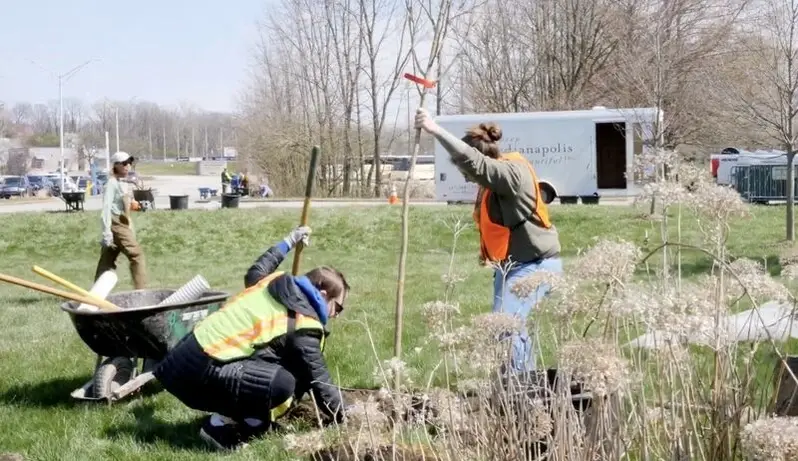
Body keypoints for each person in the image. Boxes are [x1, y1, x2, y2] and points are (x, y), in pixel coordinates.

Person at [153, 225, 350, 451]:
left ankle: (254, 422)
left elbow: (257, 268)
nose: (336, 314)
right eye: (339, 307)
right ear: (324, 295)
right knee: (284, 382)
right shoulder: (304, 323)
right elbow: (320, 381)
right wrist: (349, 415)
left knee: (281, 364)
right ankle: (217, 426)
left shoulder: (271, 283)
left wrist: (289, 241)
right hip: (196, 373)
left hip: (182, 360)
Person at [414, 108, 562, 374]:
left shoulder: (510, 175)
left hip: (535, 266)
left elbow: (474, 163)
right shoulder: (496, 180)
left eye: (463, 169)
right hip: (512, 266)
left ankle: (516, 392)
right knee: (511, 328)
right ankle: (522, 386)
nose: (464, 176)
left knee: (504, 327)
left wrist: (434, 129)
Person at [94, 151, 147, 289]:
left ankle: (95, 294)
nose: (127, 166)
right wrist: (106, 232)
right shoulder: (111, 183)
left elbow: (124, 203)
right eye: (124, 163)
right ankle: (140, 292)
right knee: (136, 255)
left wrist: (134, 205)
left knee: (106, 262)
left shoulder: (123, 183)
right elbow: (106, 209)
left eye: (129, 163)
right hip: (116, 223)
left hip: (122, 221)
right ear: (116, 166)